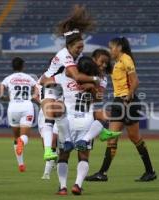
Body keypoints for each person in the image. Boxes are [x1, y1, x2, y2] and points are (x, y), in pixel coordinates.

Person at [39, 5, 119, 159]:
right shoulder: (64, 55)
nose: (81, 50)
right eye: (78, 47)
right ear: (69, 46)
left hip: (58, 84)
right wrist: (95, 80)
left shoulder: (74, 56)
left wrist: (90, 84)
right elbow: (75, 76)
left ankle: (98, 132)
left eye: (82, 47)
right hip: (46, 84)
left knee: (76, 108)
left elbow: (74, 76)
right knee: (51, 114)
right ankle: (49, 150)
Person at [86, 37, 157, 182]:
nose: (110, 50)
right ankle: (102, 173)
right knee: (112, 138)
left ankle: (150, 171)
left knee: (134, 137)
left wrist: (127, 98)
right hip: (118, 101)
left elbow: (135, 81)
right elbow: (105, 70)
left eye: (112, 47)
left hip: (127, 101)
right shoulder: (117, 63)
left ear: (119, 47)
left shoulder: (126, 59)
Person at [47, 56, 106, 195]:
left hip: (68, 122)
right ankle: (77, 185)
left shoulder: (65, 78)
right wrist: (92, 87)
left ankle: (62, 188)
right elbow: (99, 98)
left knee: (63, 156)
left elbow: (47, 83)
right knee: (84, 157)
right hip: (86, 122)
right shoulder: (94, 81)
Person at [0, 57, 38, 172]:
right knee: (24, 137)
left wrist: (4, 97)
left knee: (16, 137)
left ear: (12, 66)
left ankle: (21, 164)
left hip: (13, 108)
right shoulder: (28, 78)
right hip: (26, 107)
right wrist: (34, 95)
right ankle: (22, 142)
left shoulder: (8, 78)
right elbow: (37, 88)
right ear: (23, 66)